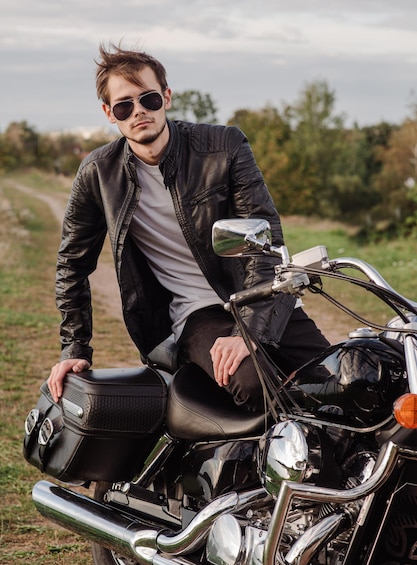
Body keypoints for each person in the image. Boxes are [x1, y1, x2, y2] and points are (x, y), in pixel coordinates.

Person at [47, 42, 329, 411]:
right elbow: (72, 264)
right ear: (109, 113)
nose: (138, 112)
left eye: (147, 98)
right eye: (123, 105)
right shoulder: (98, 173)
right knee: (252, 381)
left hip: (260, 299)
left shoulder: (223, 146)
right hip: (196, 312)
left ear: (166, 96)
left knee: (344, 382)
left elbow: (265, 239)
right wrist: (75, 348)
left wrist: (250, 331)